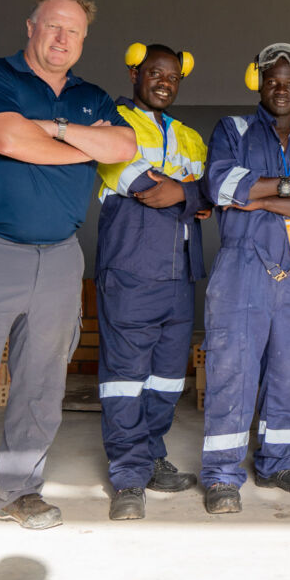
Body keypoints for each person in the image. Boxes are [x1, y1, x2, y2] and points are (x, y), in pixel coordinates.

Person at [0, 0, 136, 557]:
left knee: (42, 384)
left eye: (74, 32)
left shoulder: (92, 95)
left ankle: (18, 492)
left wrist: (58, 131)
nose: (62, 38)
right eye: (53, 26)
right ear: (31, 27)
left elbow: (122, 146)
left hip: (60, 256)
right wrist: (77, 144)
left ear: (84, 41)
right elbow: (9, 138)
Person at [198, 43, 290, 515]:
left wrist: (256, 196)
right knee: (232, 371)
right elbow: (220, 186)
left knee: (289, 369)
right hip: (242, 268)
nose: (282, 89)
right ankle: (221, 475)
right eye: (273, 80)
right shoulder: (232, 130)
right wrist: (287, 186)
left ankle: (278, 461)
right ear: (257, 81)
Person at [95, 42, 212, 520]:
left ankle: (151, 454)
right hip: (130, 272)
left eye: (172, 76)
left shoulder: (189, 135)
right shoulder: (111, 126)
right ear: (134, 74)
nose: (164, 81)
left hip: (180, 274)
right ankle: (127, 475)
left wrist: (181, 190)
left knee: (166, 378)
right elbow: (144, 186)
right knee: (125, 379)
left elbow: (210, 192)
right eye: (154, 73)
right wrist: (186, 191)